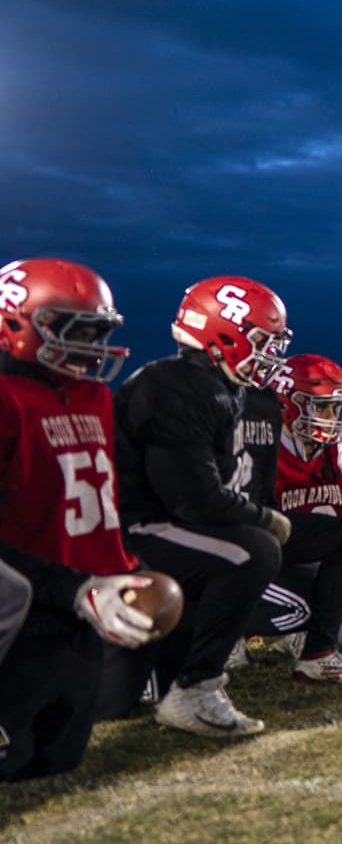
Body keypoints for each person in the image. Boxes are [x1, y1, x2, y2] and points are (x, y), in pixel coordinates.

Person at [0, 258, 160, 778]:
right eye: (76, 330)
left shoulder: (94, 395)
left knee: (58, 759)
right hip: (29, 599)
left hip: (88, 603)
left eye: (98, 330)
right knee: (15, 758)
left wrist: (119, 569)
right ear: (14, 322)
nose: (92, 346)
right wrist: (72, 586)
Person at [115, 275, 294, 738]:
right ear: (223, 333)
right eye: (260, 341)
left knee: (241, 546)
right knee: (253, 551)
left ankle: (172, 672)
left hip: (158, 519)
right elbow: (190, 498)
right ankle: (195, 687)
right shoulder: (177, 387)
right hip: (136, 526)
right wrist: (264, 517)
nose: (268, 354)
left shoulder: (211, 383)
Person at [242, 354, 342, 682]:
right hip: (259, 564)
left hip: (306, 562)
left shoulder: (333, 449)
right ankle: (307, 649)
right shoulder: (263, 446)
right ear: (288, 405)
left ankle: (303, 632)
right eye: (321, 406)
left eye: (336, 406)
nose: (331, 416)